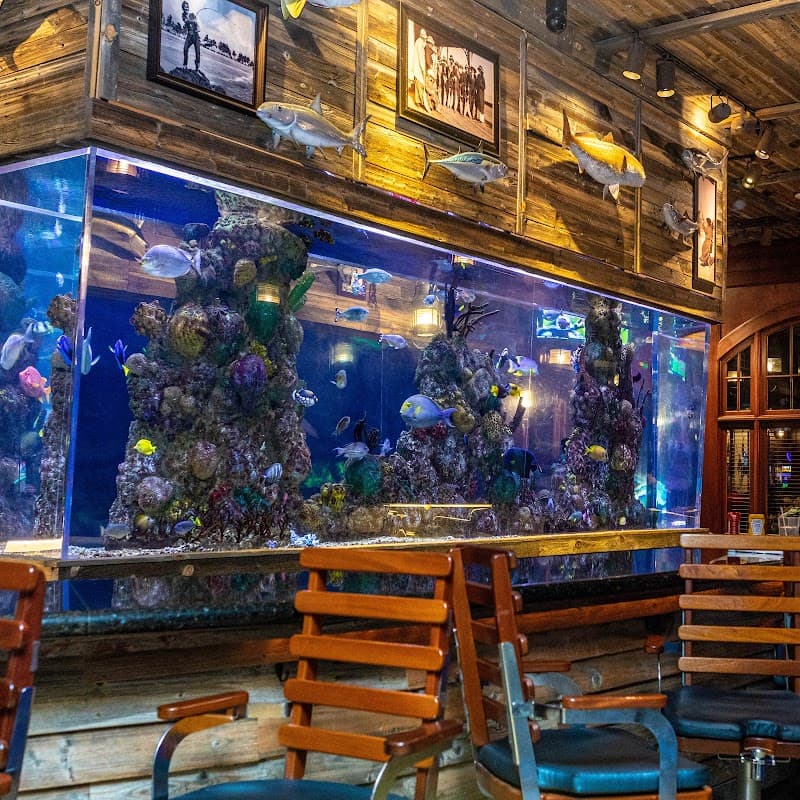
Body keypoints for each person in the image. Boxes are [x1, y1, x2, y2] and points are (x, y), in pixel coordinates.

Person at [412, 28, 431, 112]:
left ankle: (418, 101)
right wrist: (423, 68)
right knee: (420, 83)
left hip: (418, 66)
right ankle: (418, 101)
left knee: (418, 83)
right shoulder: (419, 43)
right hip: (419, 66)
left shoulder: (419, 42)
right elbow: (420, 57)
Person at [182, 2, 201, 70]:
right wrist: (192, 20)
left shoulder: (192, 14)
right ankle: (185, 64)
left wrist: (197, 26)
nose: (186, 8)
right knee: (185, 49)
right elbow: (186, 21)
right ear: (183, 8)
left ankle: (197, 66)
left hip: (196, 36)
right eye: (185, 7)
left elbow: (199, 28)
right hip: (189, 36)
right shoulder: (183, 15)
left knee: (198, 53)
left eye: (187, 6)